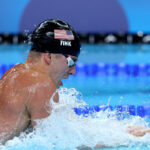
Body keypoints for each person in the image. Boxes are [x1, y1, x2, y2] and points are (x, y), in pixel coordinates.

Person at [0, 19, 80, 144]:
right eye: (71, 62)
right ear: (48, 56)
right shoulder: (40, 84)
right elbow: (57, 144)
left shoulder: (14, 72)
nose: (73, 71)